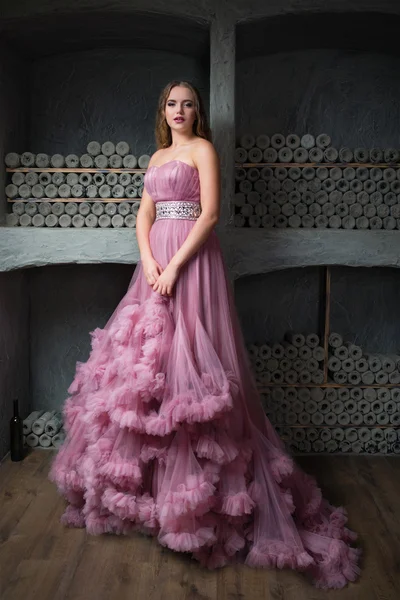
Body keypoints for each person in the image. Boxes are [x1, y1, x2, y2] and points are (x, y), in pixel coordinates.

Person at [49, 80, 361, 589]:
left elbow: (211, 213)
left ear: (197, 112)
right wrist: (150, 259)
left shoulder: (203, 150)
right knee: (150, 367)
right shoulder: (155, 158)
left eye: (188, 104)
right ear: (163, 111)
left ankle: (204, 495)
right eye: (172, 104)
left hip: (193, 263)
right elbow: (144, 215)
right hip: (156, 264)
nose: (179, 111)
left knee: (194, 360)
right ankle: (153, 497)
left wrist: (174, 266)